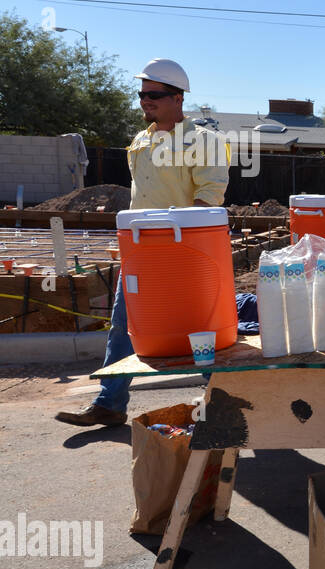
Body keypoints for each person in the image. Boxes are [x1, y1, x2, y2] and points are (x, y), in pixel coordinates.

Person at [55, 59, 229, 428]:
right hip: (141, 252)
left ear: (178, 98)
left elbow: (210, 194)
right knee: (124, 326)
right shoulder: (142, 139)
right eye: (141, 94)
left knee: (200, 333)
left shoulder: (204, 141)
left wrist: (178, 240)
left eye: (153, 95)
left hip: (184, 253)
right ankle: (110, 403)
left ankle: (226, 407)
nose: (144, 101)